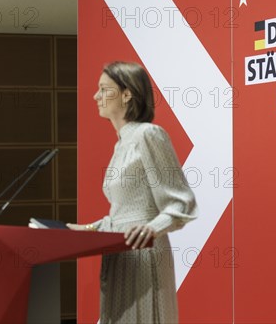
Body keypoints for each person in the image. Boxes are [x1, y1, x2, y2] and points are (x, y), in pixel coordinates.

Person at [68, 62, 197, 323]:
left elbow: (180, 201)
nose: (96, 96)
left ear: (127, 94)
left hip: (143, 253)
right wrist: (87, 230)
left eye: (104, 89)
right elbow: (123, 210)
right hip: (120, 253)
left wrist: (152, 229)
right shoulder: (122, 143)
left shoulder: (149, 134)